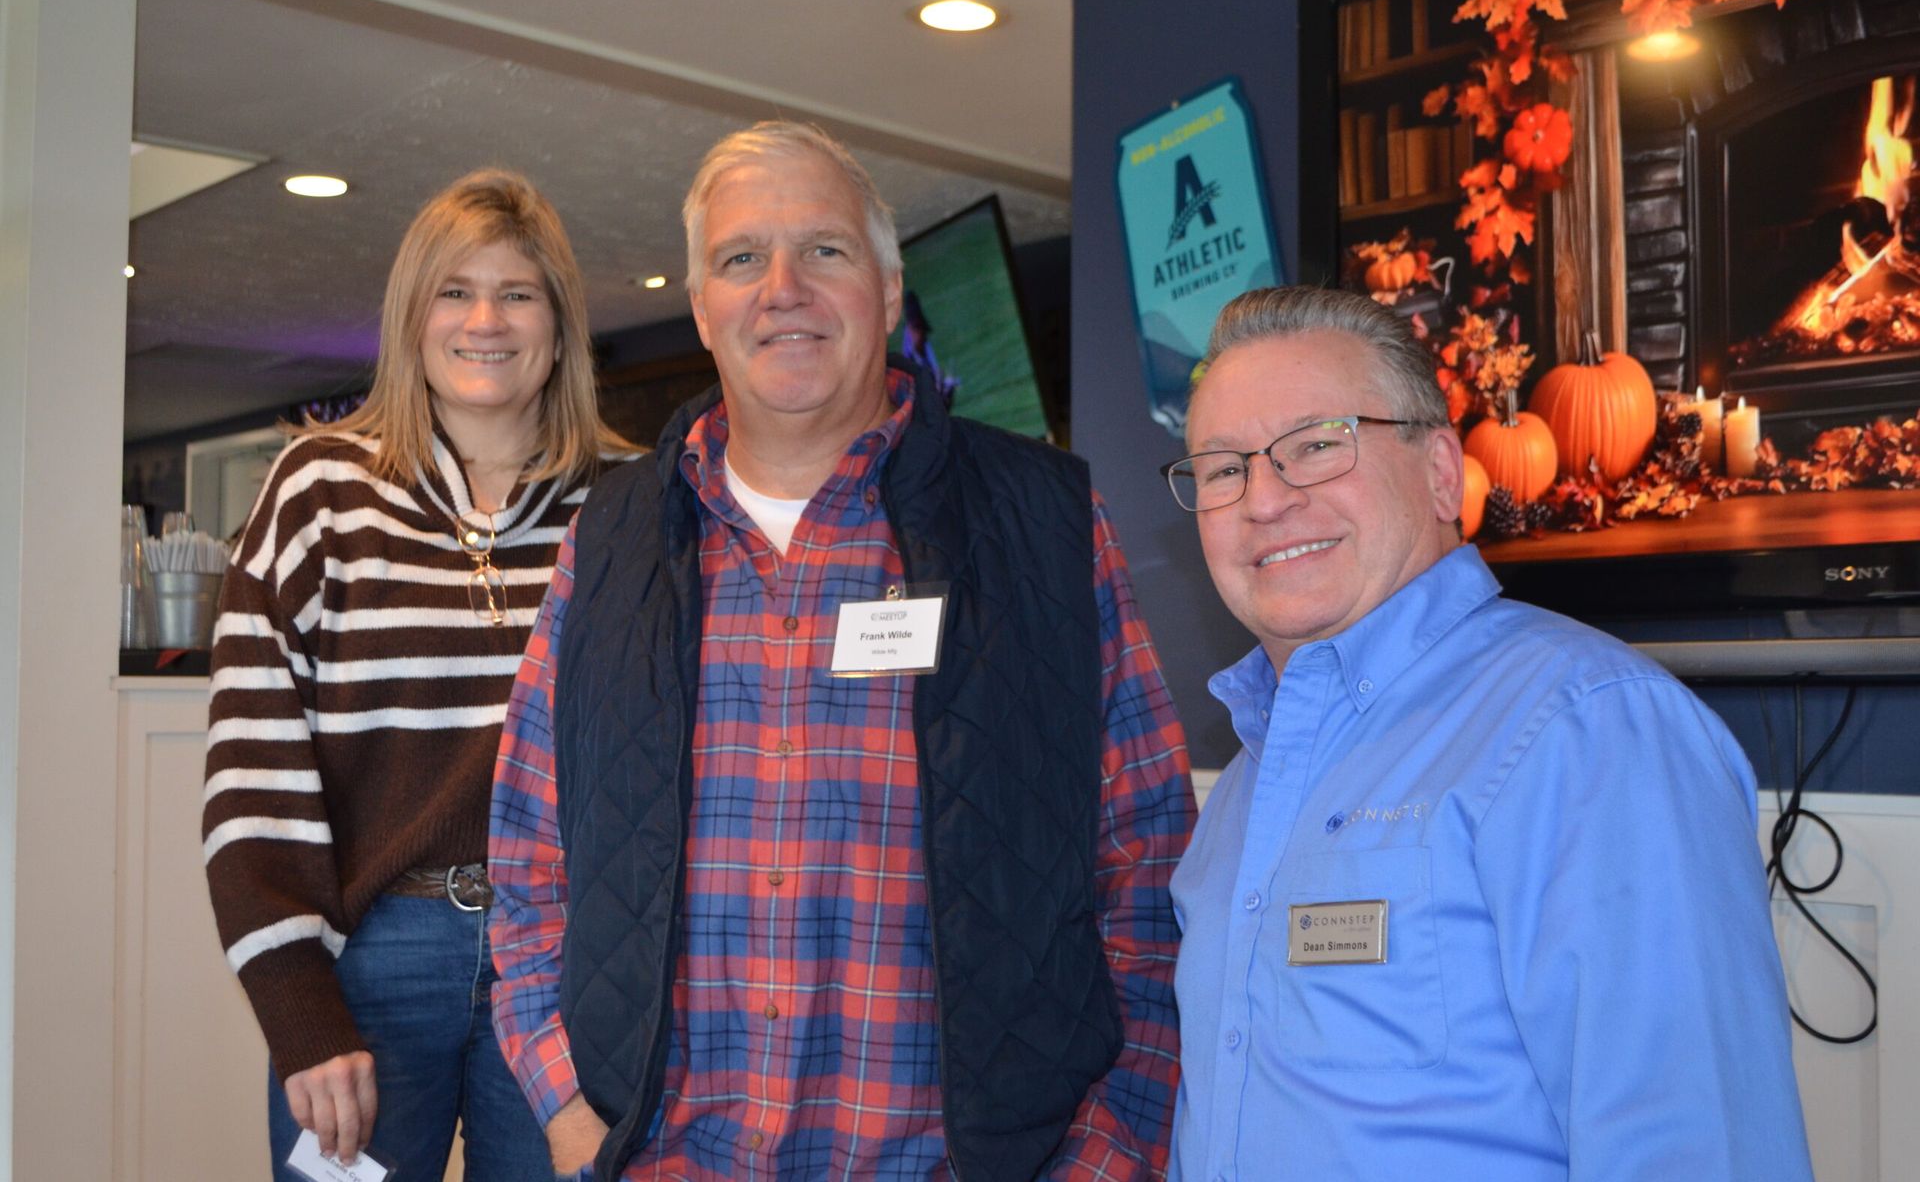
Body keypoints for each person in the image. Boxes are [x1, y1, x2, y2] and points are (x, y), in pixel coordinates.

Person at [489, 121, 1195, 1181]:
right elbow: (530, 857)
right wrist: (573, 1121)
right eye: (741, 258)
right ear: (701, 305)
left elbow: (1149, 872)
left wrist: (1103, 1157)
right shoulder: (614, 539)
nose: (782, 288)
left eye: (824, 249)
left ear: (890, 286)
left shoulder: (1043, 522)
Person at [1164, 286, 1812, 1180]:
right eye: (1223, 468)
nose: (1263, 499)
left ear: (1440, 471)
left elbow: (1702, 1153)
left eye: (1316, 445)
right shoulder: (1241, 792)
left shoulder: (1588, 730)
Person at [202, 168, 634, 1180]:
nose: (486, 320)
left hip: (567, 961)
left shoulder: (628, 504)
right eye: (455, 291)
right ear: (411, 320)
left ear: (561, 327)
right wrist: (299, 1007)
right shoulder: (318, 490)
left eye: (518, 293)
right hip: (369, 958)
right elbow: (252, 777)